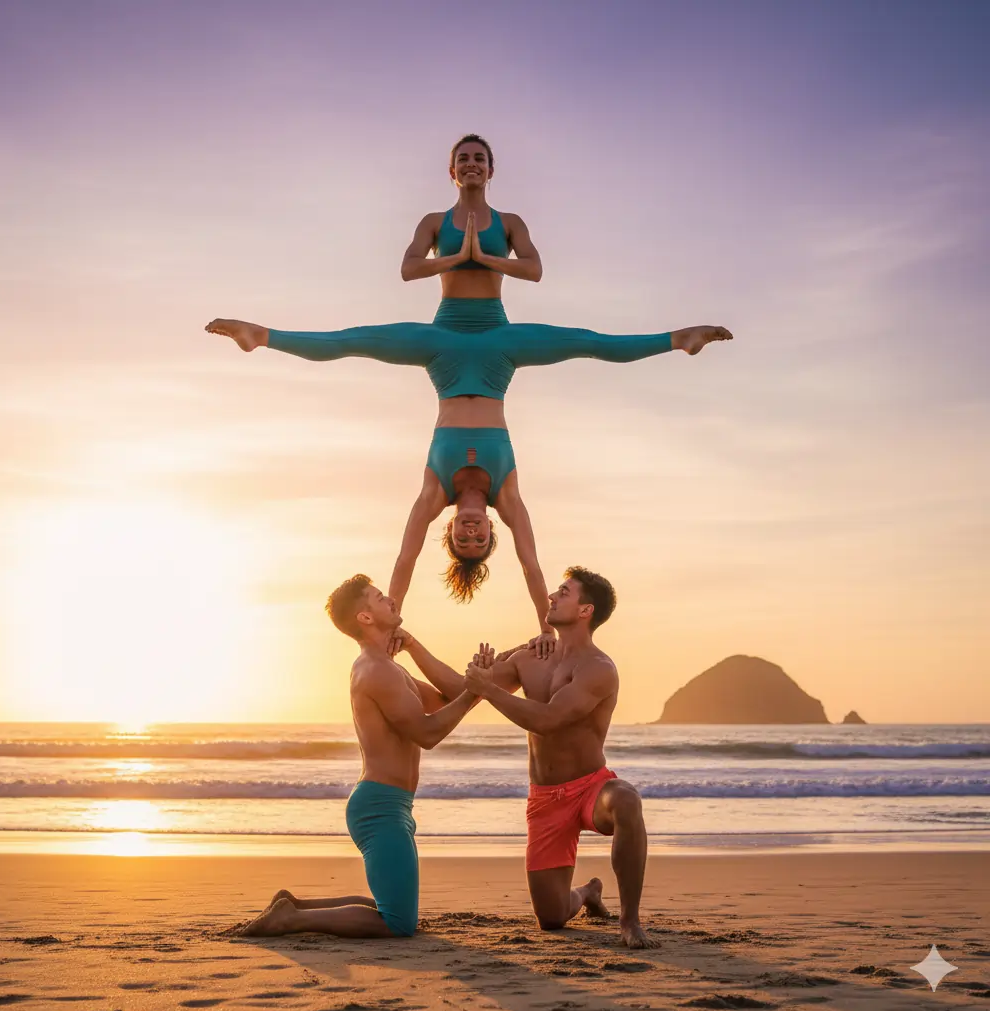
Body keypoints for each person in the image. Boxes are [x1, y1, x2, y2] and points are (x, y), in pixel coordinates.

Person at [206, 134, 732, 644]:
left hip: (463, 345)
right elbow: (410, 269)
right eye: (465, 159)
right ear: (453, 172)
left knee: (583, 340)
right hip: (473, 341)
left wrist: (486, 257)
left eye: (479, 158)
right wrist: (459, 258)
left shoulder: (436, 490)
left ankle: (677, 340)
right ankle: (261, 337)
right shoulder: (435, 223)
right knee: (359, 339)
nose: (472, 531)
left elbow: (535, 270)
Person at [238, 575, 479, 938]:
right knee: (398, 923)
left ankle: (295, 905)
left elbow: (450, 698)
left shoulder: (392, 667)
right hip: (379, 807)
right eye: (381, 598)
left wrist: (413, 645)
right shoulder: (377, 671)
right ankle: (290, 920)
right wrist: (479, 690)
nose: (391, 602)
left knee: (392, 910)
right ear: (365, 618)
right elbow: (429, 733)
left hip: (393, 805)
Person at [462, 566, 654, 949]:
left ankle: (629, 920)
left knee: (627, 799)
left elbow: (549, 720)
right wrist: (410, 648)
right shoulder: (530, 656)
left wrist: (488, 690)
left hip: (590, 789)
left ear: (586, 611)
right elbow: (459, 689)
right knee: (550, 918)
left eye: (563, 592)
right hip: (546, 798)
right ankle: (588, 892)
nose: (551, 597)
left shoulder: (599, 669)